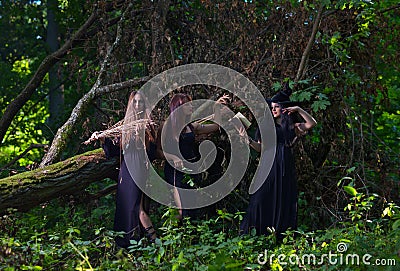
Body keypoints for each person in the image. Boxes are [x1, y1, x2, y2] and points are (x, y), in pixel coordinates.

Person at [240, 84, 317, 239]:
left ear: (284, 109)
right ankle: (255, 233)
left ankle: (280, 234)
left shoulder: (291, 126)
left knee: (282, 196)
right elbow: (260, 148)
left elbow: (311, 123)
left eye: (276, 107)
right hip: (268, 164)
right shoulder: (265, 125)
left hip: (284, 164)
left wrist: (298, 109)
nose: (273, 110)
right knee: (260, 196)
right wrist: (247, 140)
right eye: (272, 107)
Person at [156, 93, 228, 221]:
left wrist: (216, 107)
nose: (191, 106)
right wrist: (173, 157)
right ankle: (176, 236)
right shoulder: (166, 127)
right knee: (180, 209)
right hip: (175, 171)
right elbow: (158, 151)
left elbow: (216, 127)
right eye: (186, 104)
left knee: (192, 206)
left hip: (191, 169)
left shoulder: (192, 126)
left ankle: (191, 237)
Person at [102, 91, 158, 248]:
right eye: (135, 102)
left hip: (138, 169)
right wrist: (103, 139)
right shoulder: (125, 126)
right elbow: (115, 150)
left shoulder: (147, 124)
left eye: (141, 102)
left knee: (136, 207)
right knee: (126, 206)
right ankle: (128, 244)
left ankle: (153, 242)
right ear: (131, 104)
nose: (138, 105)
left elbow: (152, 151)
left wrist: (147, 131)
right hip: (125, 171)